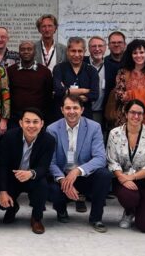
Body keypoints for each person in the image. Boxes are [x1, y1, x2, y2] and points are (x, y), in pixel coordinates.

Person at [46, 95, 110, 232]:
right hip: (62, 174)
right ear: (62, 110)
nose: (71, 111)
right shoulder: (52, 129)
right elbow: (50, 161)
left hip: (84, 175)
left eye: (75, 108)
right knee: (51, 188)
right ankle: (61, 210)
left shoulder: (94, 127)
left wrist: (77, 171)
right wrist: (63, 180)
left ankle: (96, 218)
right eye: (68, 108)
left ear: (82, 110)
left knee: (104, 175)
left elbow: (100, 158)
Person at [107, 100, 145, 233]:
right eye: (132, 112)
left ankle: (142, 208)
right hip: (123, 180)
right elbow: (112, 161)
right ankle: (129, 211)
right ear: (126, 113)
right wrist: (122, 177)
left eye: (140, 113)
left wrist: (131, 177)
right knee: (130, 197)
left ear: (143, 116)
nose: (136, 117)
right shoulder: (115, 133)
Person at [0, 108, 55, 234]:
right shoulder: (9, 137)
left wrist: (31, 173)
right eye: (27, 121)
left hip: (33, 177)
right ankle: (12, 208)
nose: (31, 126)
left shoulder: (48, 140)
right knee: (0, 201)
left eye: (35, 122)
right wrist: (2, 191)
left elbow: (44, 167)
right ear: (21, 123)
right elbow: (2, 165)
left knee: (43, 185)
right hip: (13, 176)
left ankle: (36, 218)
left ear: (42, 124)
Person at [114, 39, 145, 131]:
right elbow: (119, 94)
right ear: (130, 55)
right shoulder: (123, 72)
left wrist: (130, 93)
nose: (138, 55)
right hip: (125, 117)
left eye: (141, 52)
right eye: (135, 53)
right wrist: (142, 94)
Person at [7, 41, 53, 126]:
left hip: (37, 118)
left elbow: (48, 96)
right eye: (22, 49)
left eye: (29, 49)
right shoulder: (10, 71)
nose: (26, 52)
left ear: (35, 52)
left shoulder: (45, 72)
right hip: (15, 118)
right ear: (19, 52)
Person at [53, 37, 99, 120]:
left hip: (85, 116)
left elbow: (94, 95)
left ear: (85, 51)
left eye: (80, 51)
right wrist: (84, 91)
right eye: (73, 51)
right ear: (67, 51)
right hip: (62, 117)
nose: (77, 55)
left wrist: (67, 91)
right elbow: (58, 91)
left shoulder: (91, 70)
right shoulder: (59, 68)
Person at [103, 31, 127, 125]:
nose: (116, 45)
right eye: (113, 42)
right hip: (108, 109)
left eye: (119, 42)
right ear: (108, 45)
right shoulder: (103, 63)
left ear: (125, 45)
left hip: (127, 109)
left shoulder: (132, 63)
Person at [85, 36, 107, 126]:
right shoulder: (81, 63)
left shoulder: (111, 66)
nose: (97, 49)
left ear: (105, 48)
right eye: (94, 46)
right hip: (84, 110)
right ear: (89, 49)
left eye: (100, 46)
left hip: (102, 113)